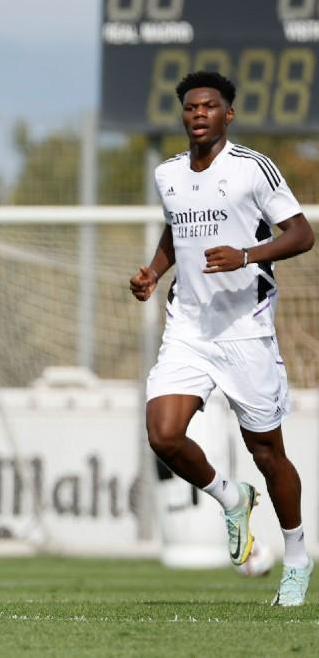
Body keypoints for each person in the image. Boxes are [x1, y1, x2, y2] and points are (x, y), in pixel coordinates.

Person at [130, 71, 315, 607]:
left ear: (227, 115)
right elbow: (176, 231)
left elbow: (302, 233)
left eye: (209, 106)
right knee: (163, 436)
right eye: (190, 107)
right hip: (188, 327)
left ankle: (298, 558)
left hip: (246, 330)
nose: (199, 114)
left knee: (267, 454)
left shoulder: (252, 169)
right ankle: (232, 499)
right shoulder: (168, 175)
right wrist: (153, 272)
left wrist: (247, 255)